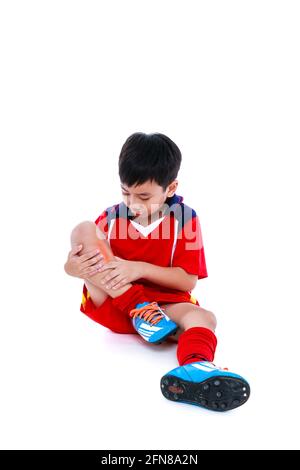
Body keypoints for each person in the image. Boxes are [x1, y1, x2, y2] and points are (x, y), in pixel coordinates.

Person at [64, 132, 250, 412]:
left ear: (171, 188)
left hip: (163, 313)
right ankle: (138, 307)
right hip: (118, 302)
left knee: (204, 317)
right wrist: (72, 268)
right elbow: (85, 259)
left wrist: (139, 268)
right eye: (125, 192)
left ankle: (195, 367)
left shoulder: (185, 219)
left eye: (143, 195)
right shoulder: (111, 217)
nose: (132, 203)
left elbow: (187, 280)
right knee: (83, 228)